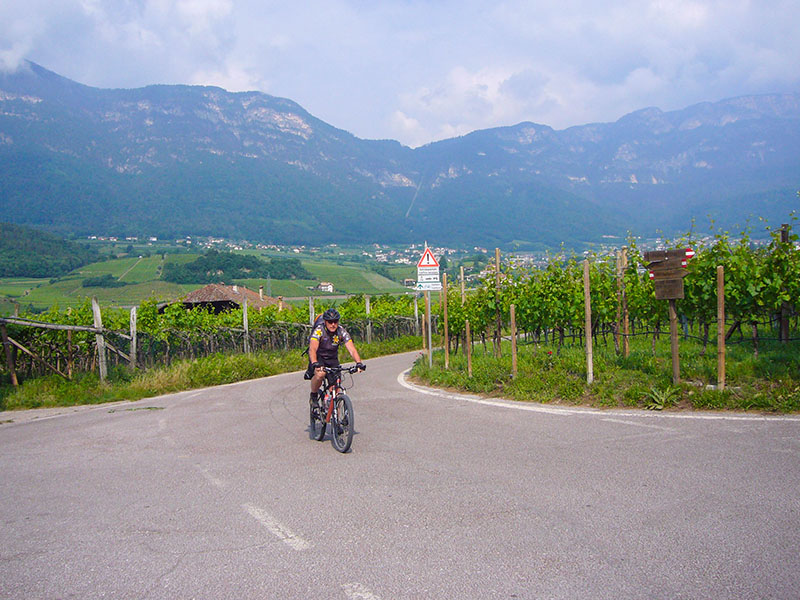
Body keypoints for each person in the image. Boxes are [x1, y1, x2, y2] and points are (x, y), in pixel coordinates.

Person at [305, 308, 365, 406]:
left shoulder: (341, 331)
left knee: (336, 387)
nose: (333, 324)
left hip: (332, 358)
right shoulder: (319, 331)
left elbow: (352, 349)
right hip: (319, 357)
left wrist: (359, 363)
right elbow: (312, 350)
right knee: (320, 375)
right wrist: (315, 363)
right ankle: (314, 395)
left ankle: (334, 413)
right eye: (330, 322)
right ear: (325, 322)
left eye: (335, 321)